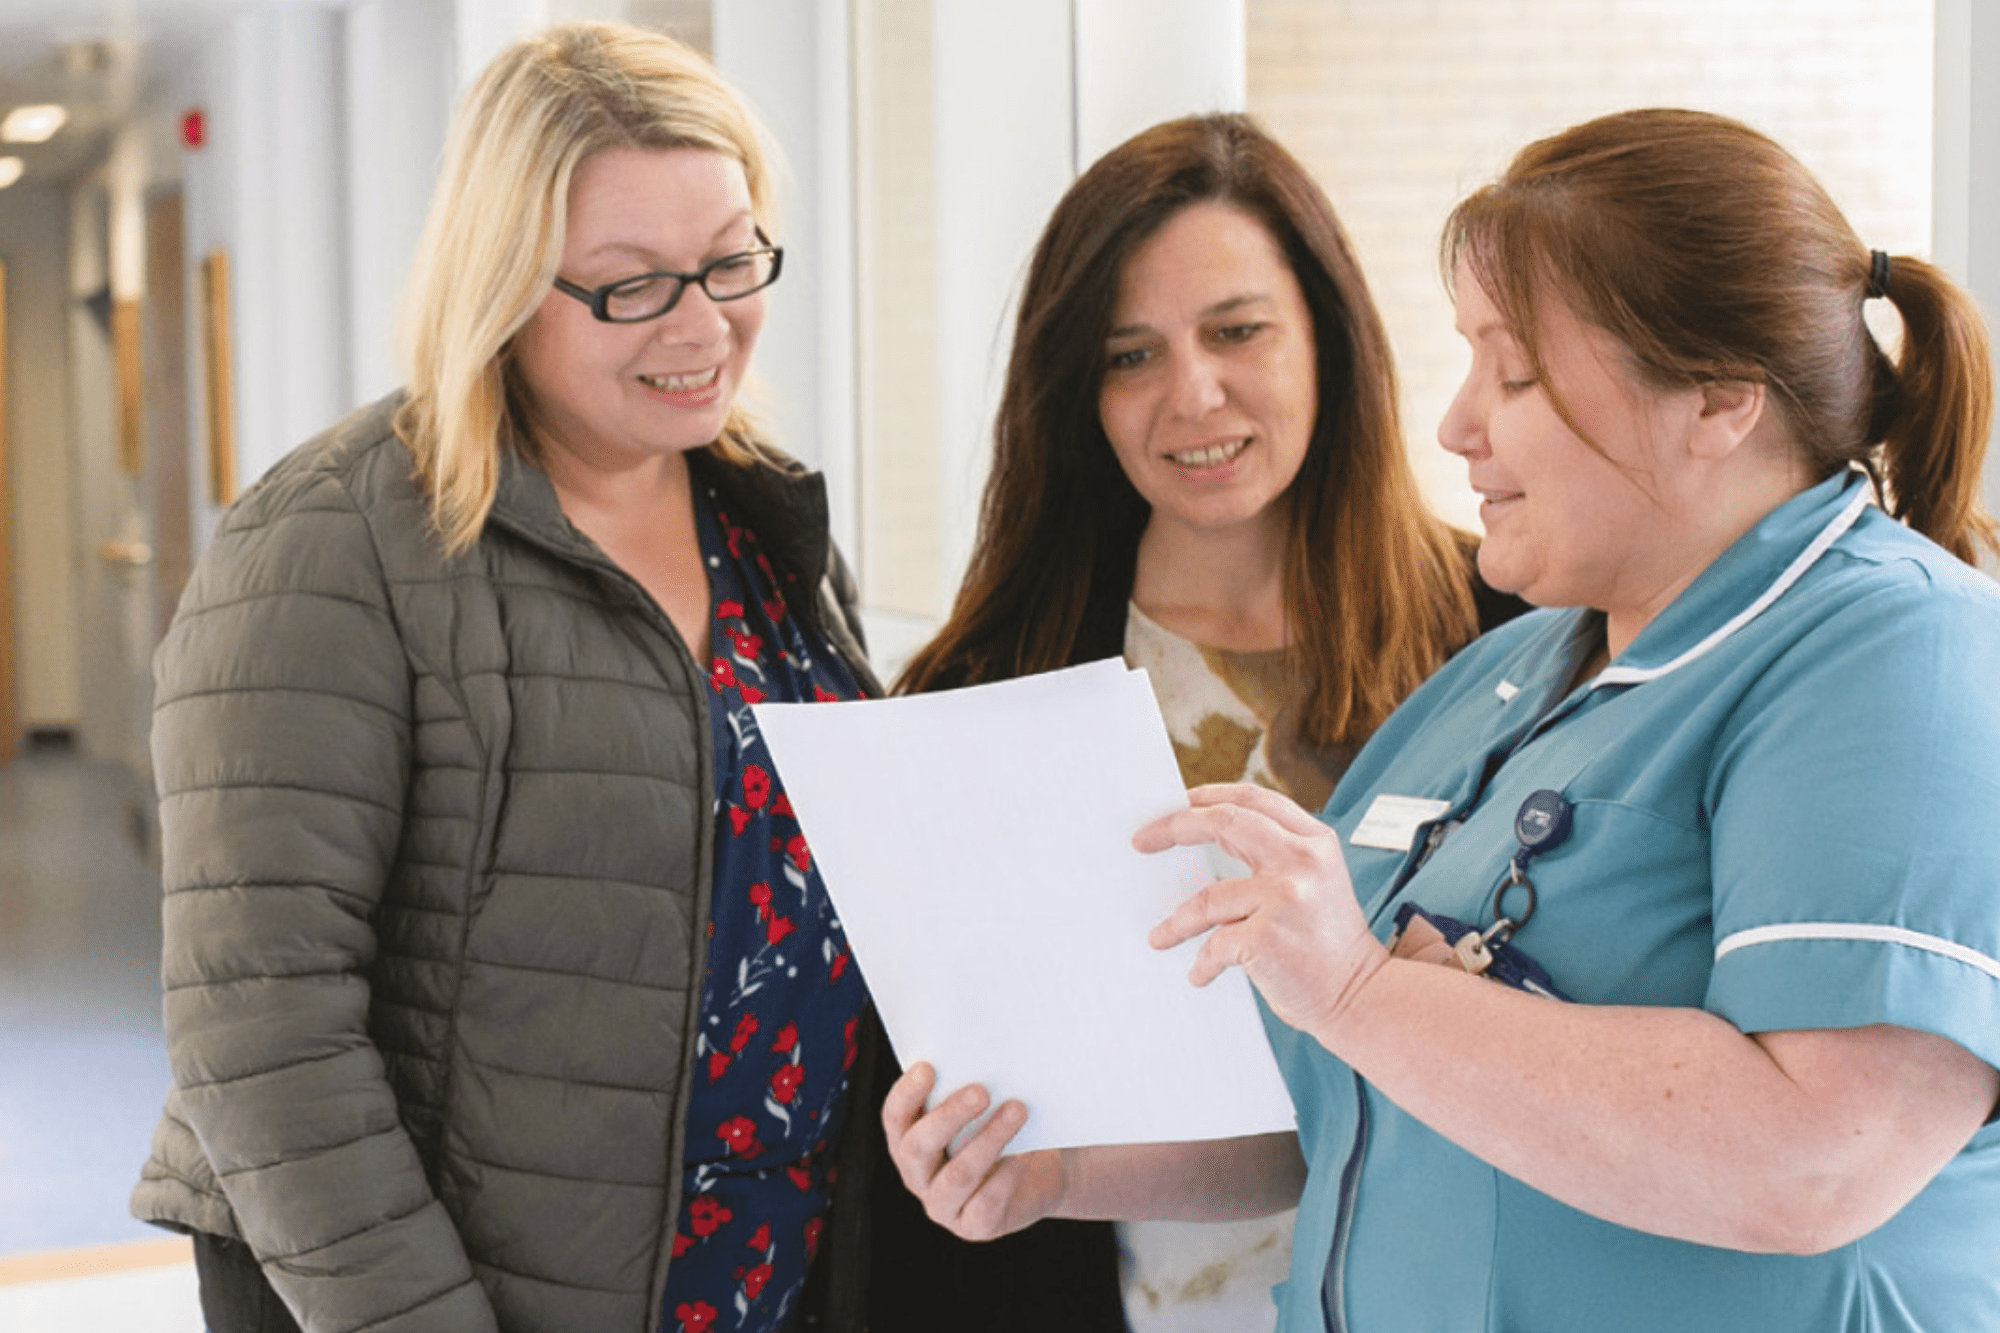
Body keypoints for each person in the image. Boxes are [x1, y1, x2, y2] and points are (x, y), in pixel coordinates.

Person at [885, 107, 2000, 1333]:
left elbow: (1816, 1158)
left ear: (1716, 401)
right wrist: (1059, 1170)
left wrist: (1362, 988)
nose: (1456, 423)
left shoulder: (1902, 653)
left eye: (1512, 373)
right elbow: (1344, 1092)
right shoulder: (1514, 669)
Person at [130, 23, 884, 1333]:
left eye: (729, 259)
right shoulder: (331, 543)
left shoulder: (771, 531)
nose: (706, 325)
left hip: (756, 1269)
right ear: (504, 283)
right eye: (631, 284)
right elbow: (261, 1031)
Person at [884, 113, 1518, 1332]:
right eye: (1129, 355)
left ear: (1325, 337)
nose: (1192, 393)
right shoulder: (984, 690)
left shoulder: (1509, 630)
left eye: (1235, 330)